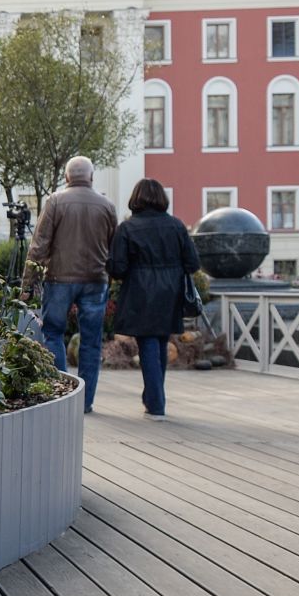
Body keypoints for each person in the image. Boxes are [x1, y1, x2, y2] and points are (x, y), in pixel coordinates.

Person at [22, 156, 118, 412]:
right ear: (91, 177)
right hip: (95, 280)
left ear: (66, 177)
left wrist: (27, 285)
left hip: (59, 279)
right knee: (91, 341)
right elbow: (114, 248)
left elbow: (39, 246)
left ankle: (62, 395)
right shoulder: (106, 205)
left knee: (53, 333)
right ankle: (85, 402)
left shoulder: (55, 201)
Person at [107, 179, 201, 419]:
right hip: (171, 291)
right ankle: (153, 398)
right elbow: (193, 263)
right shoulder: (176, 226)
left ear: (136, 199)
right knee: (159, 341)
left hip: (140, 290)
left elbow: (118, 267)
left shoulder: (127, 228)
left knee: (148, 342)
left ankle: (156, 403)